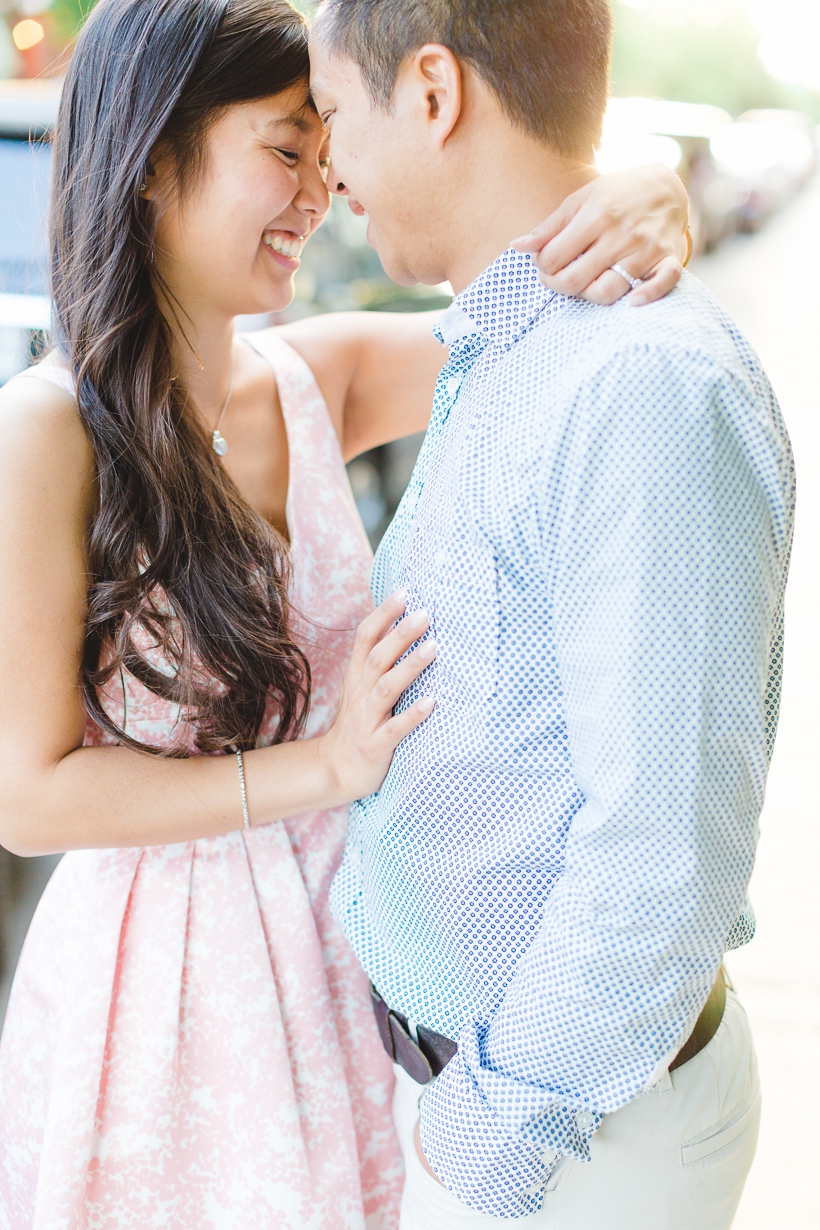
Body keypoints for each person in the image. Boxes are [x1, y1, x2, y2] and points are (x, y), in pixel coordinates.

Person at [0, 0, 691, 1226]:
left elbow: (536, 309)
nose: (322, 191)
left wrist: (649, 182)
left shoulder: (318, 377)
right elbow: (30, 795)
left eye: (328, 151)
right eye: (284, 149)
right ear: (155, 160)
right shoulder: (48, 433)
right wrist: (323, 765)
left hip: (356, 959)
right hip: (163, 991)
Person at [309, 2, 796, 1228]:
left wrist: (487, 1132)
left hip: (573, 1143)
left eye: (330, 117)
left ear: (431, 92)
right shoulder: (507, 341)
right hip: (511, 1111)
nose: (331, 167)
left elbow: (662, 856)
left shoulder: (640, 391)